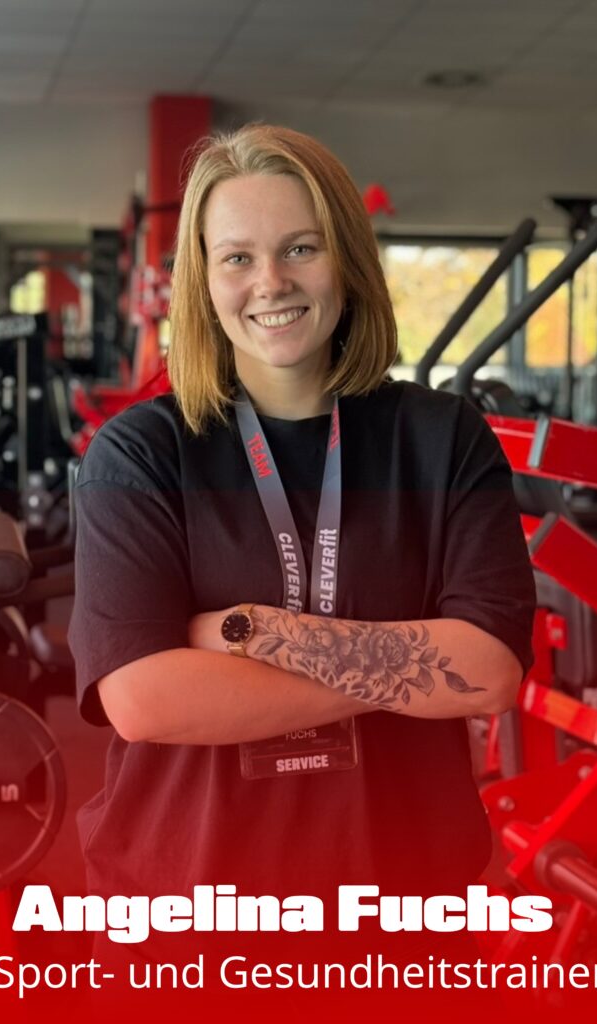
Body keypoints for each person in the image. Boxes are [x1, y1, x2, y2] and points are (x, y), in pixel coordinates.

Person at [68, 124, 535, 972]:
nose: (271, 281)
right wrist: (409, 676)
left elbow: (490, 671)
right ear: (204, 281)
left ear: (345, 258)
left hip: (401, 917)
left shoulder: (441, 440)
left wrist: (249, 631)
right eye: (237, 257)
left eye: (300, 248)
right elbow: (143, 699)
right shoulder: (141, 454)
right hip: (186, 921)